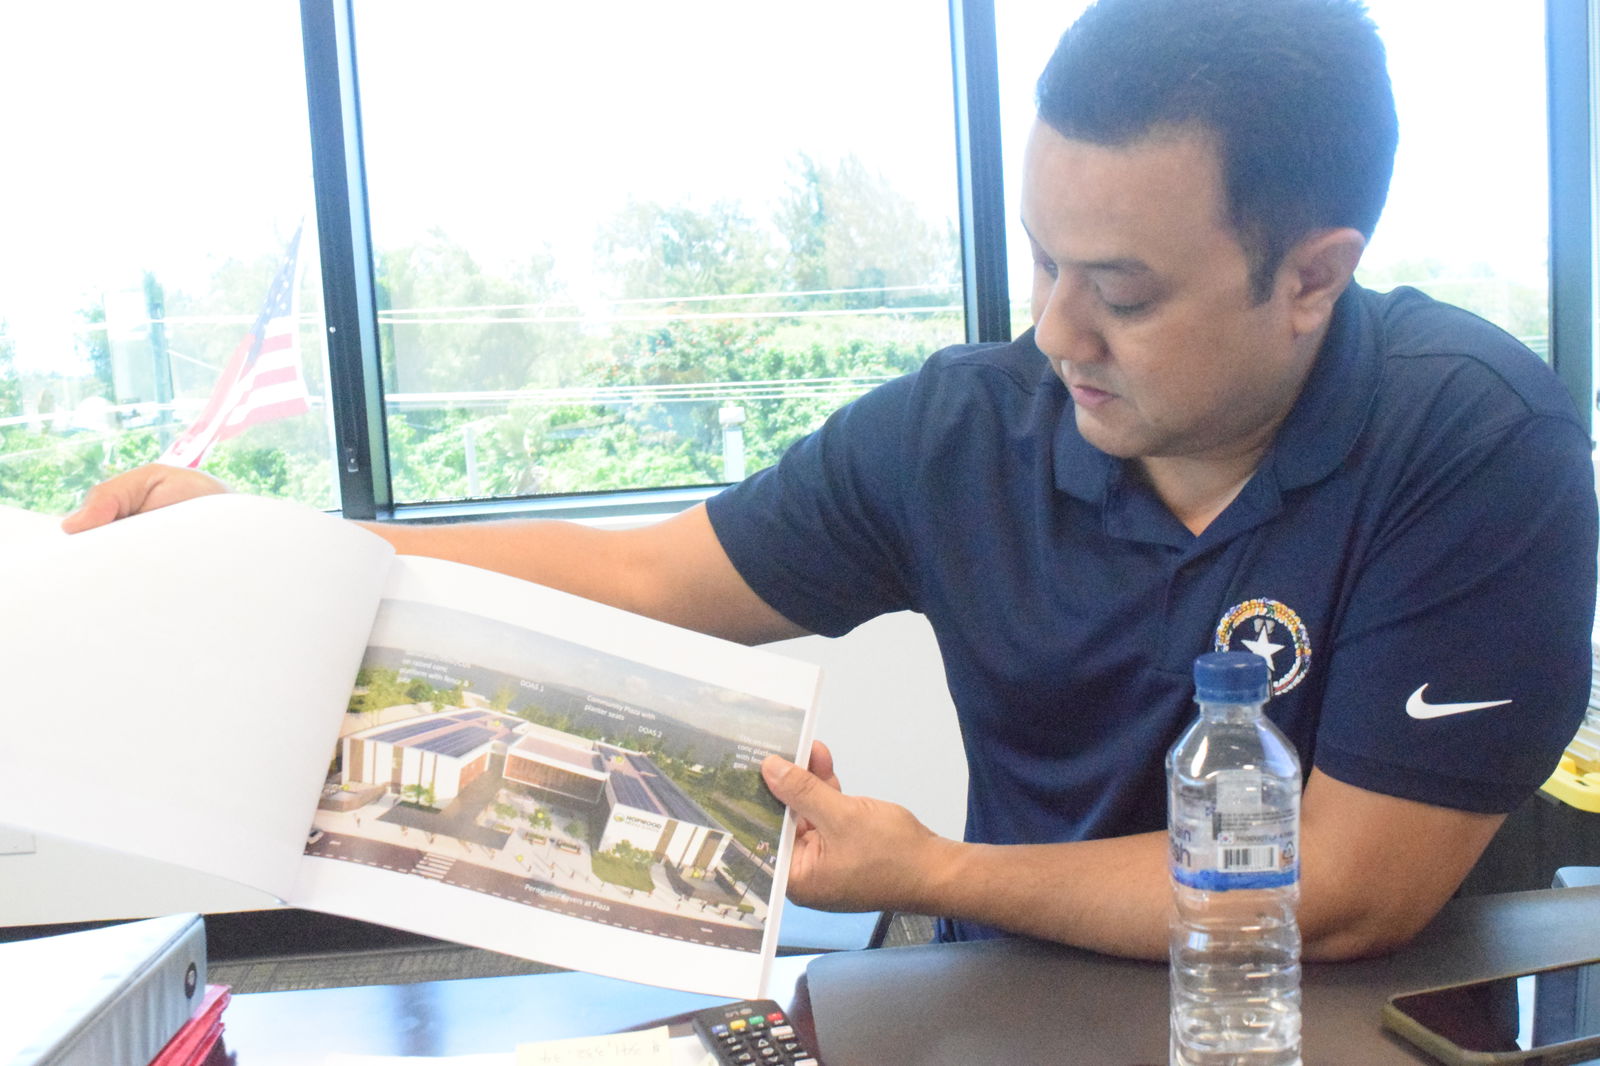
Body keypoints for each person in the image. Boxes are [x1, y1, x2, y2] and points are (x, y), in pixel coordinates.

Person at [65, 0, 1596, 962]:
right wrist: (276, 548)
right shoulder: (963, 432)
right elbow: (654, 576)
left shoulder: (1471, 447)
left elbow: (1340, 891)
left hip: (1323, 1019)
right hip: (1013, 991)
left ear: (1312, 275)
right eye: (1042, 259)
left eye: (1120, 290)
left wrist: (939, 868)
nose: (1056, 328)